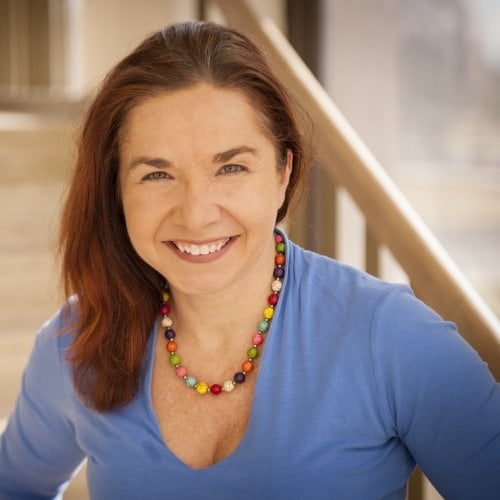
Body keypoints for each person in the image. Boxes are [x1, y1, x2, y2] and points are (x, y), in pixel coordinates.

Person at [0, 20, 499, 500]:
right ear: (116, 189)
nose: (195, 215)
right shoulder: (78, 341)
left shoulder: (391, 337)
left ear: (284, 171)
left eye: (231, 167)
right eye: (156, 175)